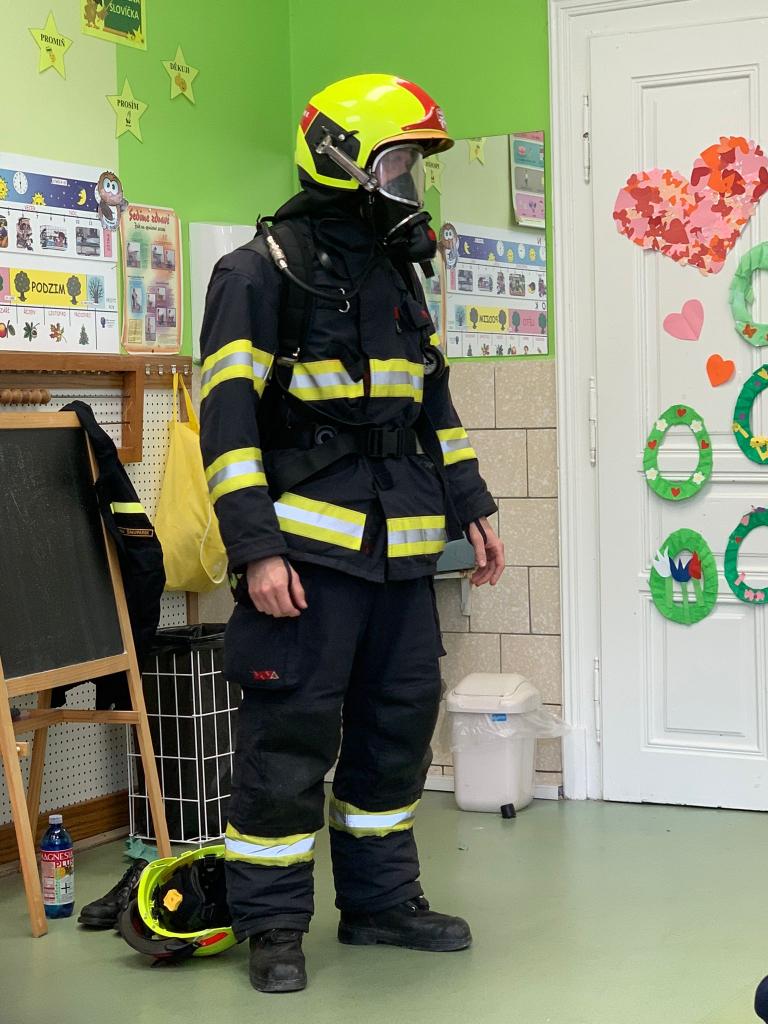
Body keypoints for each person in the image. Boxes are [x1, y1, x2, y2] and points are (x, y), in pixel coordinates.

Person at [199, 73, 505, 994]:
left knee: (396, 727)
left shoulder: (398, 270)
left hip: (403, 550)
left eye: (415, 163)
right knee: (289, 741)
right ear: (341, 157)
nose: (412, 179)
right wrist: (256, 549)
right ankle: (272, 924)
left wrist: (473, 503)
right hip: (306, 555)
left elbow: (431, 405)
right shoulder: (258, 271)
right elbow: (227, 425)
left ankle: (380, 904)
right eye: (400, 159)